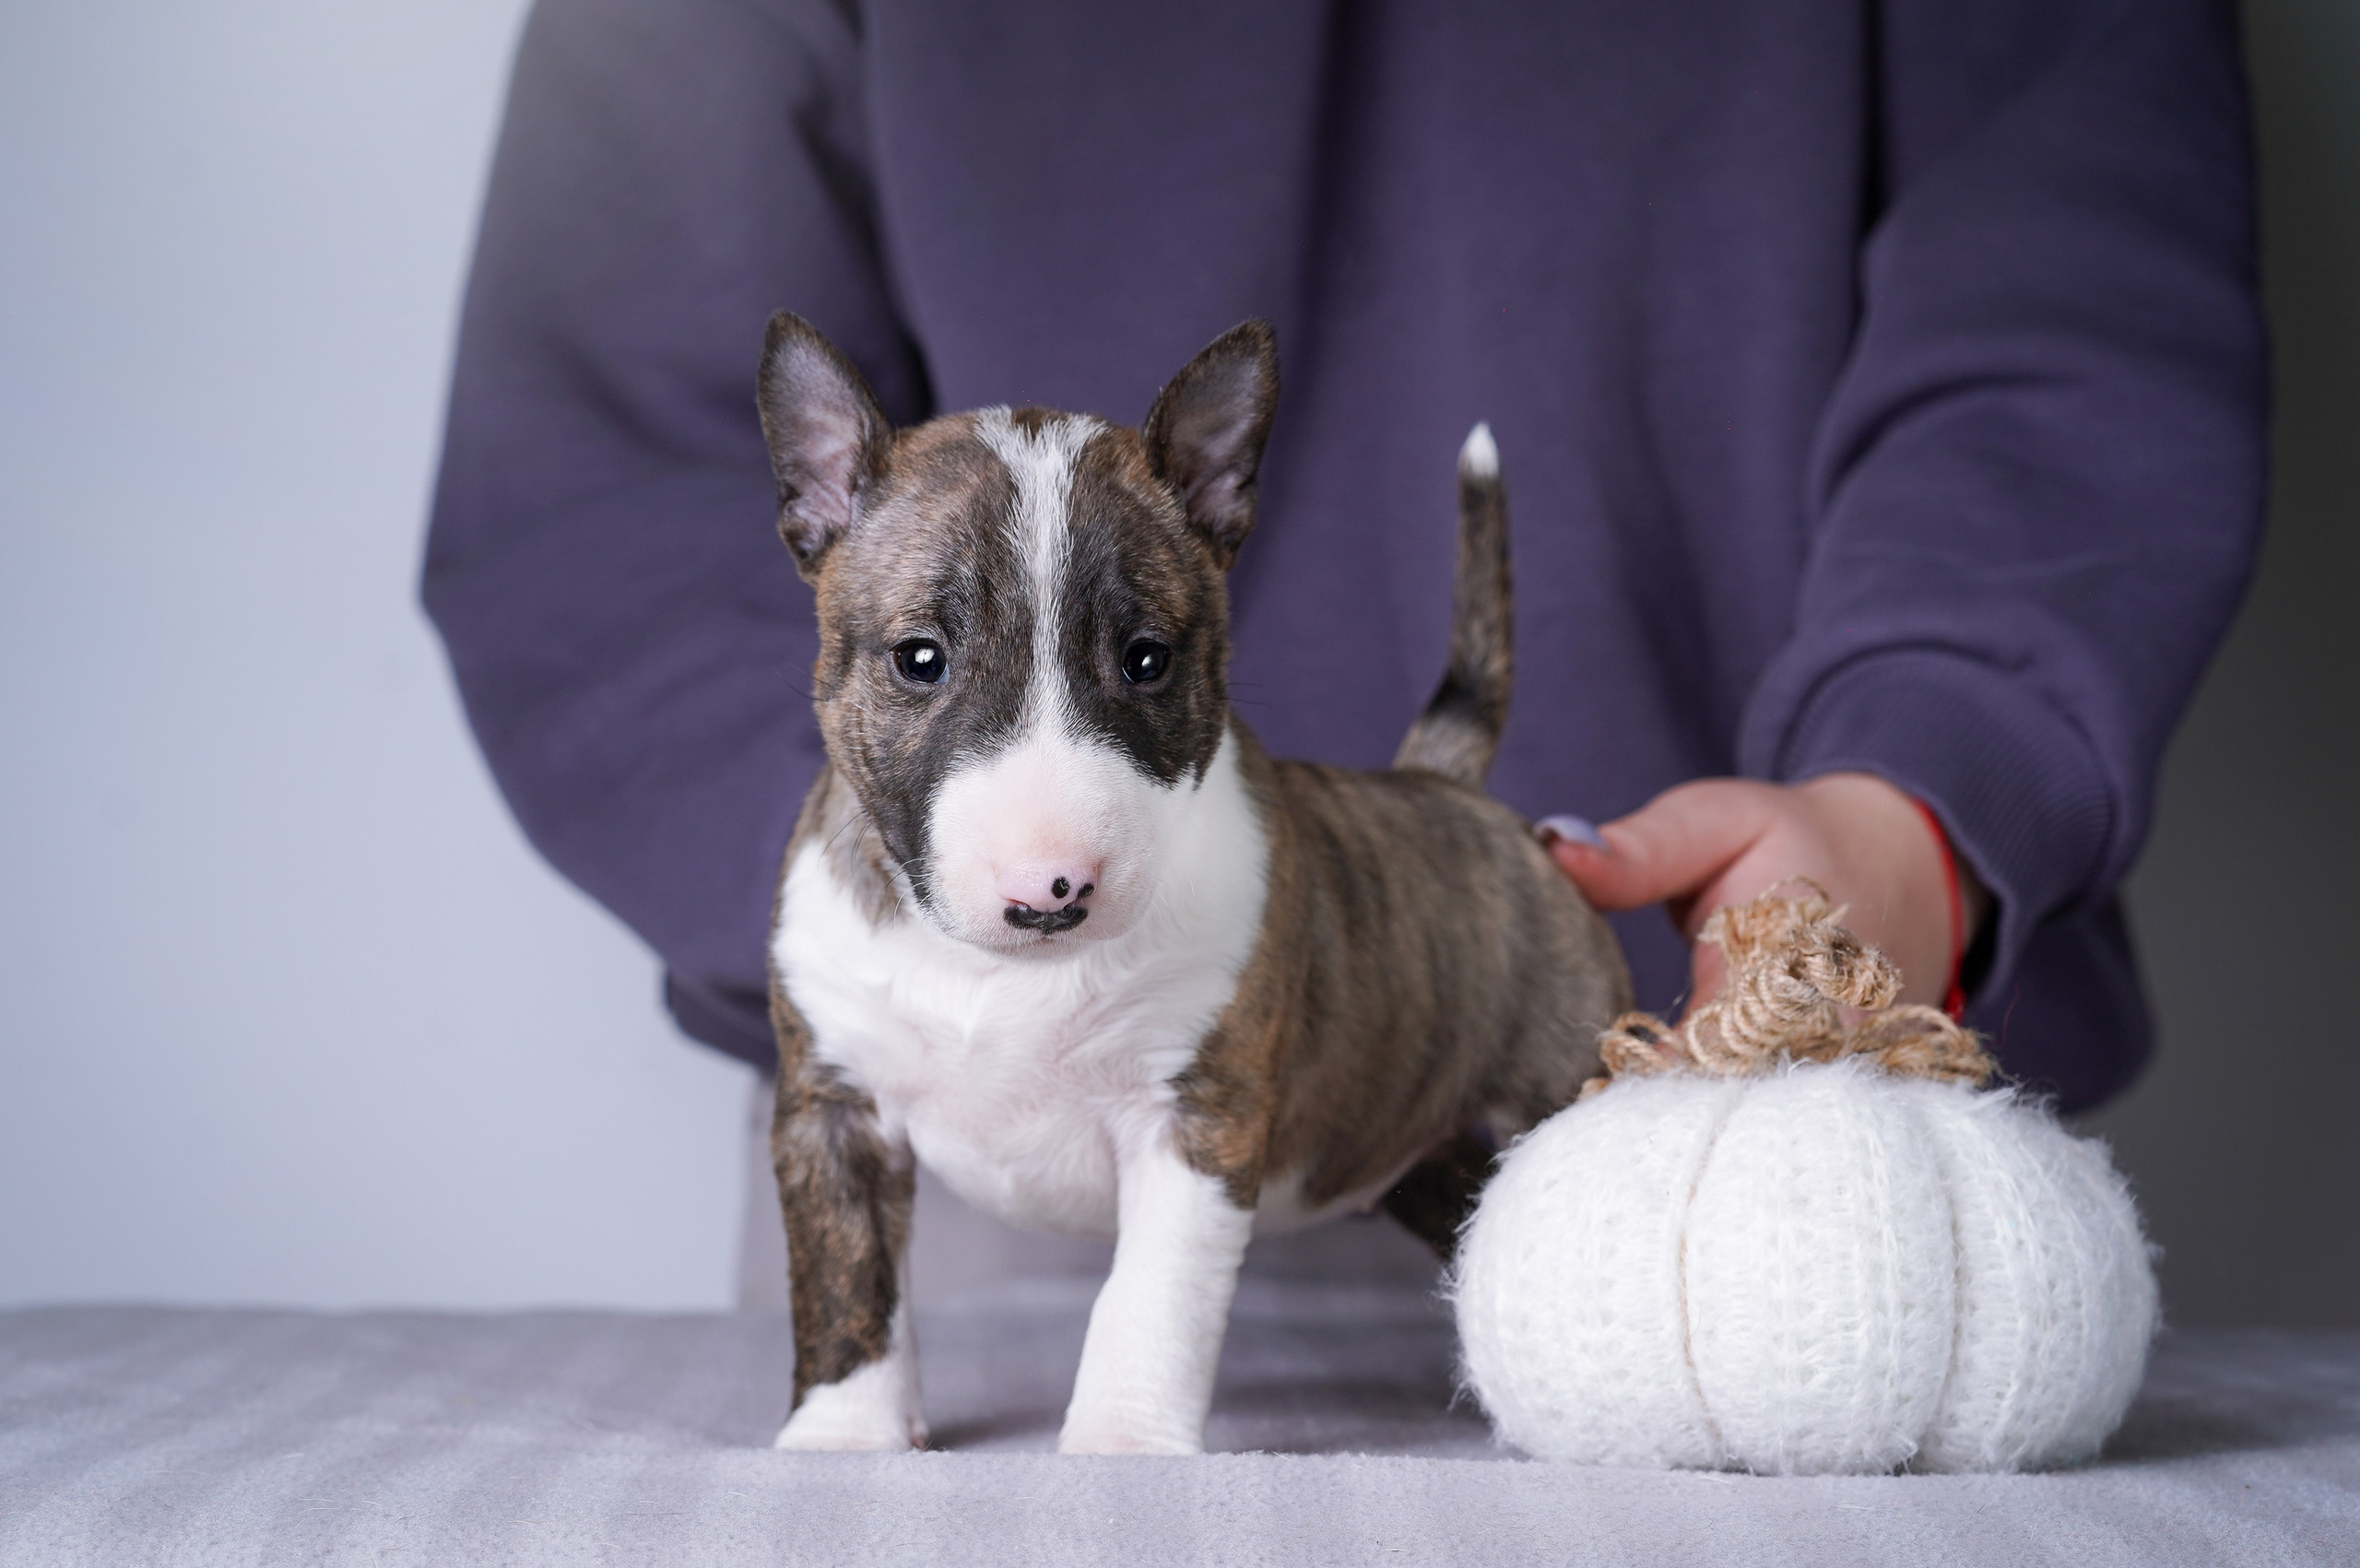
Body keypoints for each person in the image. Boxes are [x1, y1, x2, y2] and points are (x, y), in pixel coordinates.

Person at [424, 0, 2263, 1137]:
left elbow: (2070, 305)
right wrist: (914, 923)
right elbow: (605, 464)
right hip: (991, 1129)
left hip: (1754, 1093)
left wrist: (1919, 801)